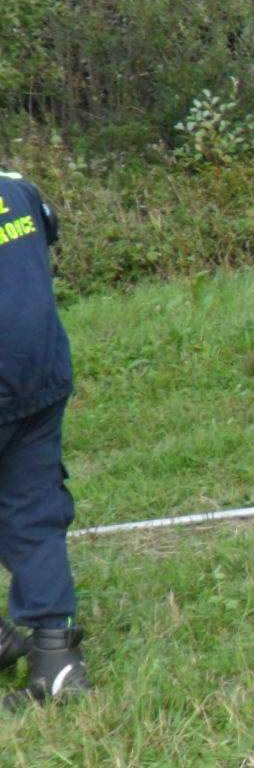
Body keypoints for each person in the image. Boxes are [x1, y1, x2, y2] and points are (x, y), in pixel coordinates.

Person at [0, 169, 89, 711]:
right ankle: (57, 662)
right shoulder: (15, 188)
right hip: (37, 373)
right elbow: (47, 232)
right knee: (33, 507)